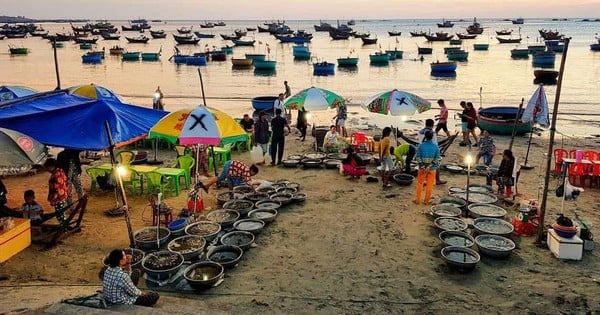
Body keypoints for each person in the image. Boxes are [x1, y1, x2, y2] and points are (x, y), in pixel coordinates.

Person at [414, 130, 441, 205]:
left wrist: (423, 165)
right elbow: (437, 158)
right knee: (430, 185)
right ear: (432, 137)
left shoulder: (421, 146)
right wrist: (429, 166)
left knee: (420, 183)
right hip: (432, 169)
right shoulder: (435, 147)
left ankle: (417, 200)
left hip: (422, 168)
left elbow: (418, 157)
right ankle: (426, 201)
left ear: (425, 136)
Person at [418, 119, 446, 185]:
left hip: (422, 150)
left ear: (425, 124)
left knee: (423, 165)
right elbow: (435, 144)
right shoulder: (432, 133)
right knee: (436, 164)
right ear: (433, 125)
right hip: (431, 151)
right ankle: (437, 180)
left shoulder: (420, 132)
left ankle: (424, 180)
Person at [44, 158, 70, 229]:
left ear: (51, 166)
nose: (48, 170)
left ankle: (64, 229)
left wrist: (53, 199)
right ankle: (64, 227)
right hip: (63, 195)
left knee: (60, 215)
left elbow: (56, 189)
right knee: (61, 214)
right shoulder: (61, 171)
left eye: (48, 168)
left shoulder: (56, 175)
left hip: (59, 197)